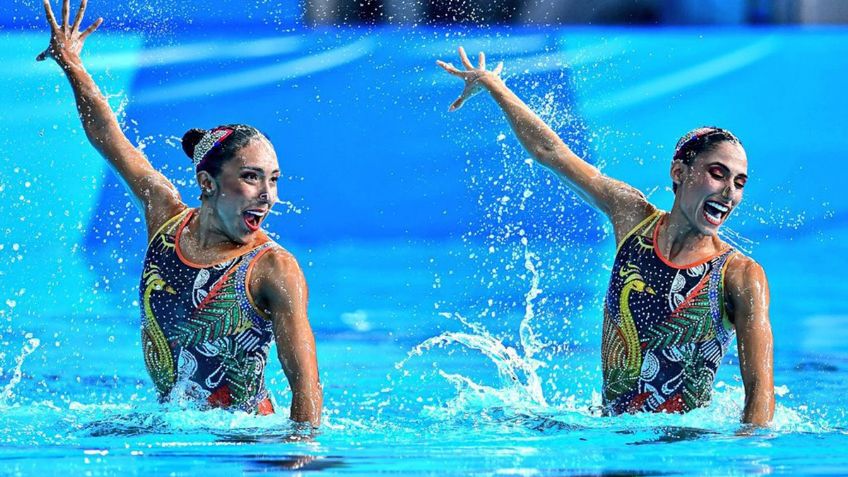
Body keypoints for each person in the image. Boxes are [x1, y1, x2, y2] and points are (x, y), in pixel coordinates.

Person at [438, 47, 774, 425]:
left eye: (740, 182)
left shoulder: (741, 276)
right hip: (611, 433)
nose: (730, 192)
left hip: (685, 447)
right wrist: (495, 85)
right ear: (679, 172)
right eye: (718, 173)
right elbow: (550, 152)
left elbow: (760, 395)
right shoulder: (632, 217)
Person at [37, 0, 322, 426]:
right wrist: (73, 65)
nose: (268, 196)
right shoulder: (165, 216)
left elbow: (307, 388)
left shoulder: (274, 268)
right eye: (251, 177)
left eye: (274, 180)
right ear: (207, 184)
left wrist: (300, 460)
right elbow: (110, 139)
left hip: (243, 438)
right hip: (171, 422)